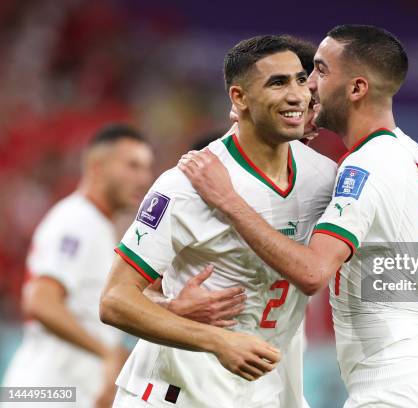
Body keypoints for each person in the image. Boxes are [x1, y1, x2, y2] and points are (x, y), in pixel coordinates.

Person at [179, 25, 418, 408]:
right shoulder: (411, 154)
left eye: (318, 71)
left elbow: (313, 272)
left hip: (392, 383)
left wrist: (228, 200)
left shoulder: (363, 168)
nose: (308, 86)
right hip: (412, 375)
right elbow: (404, 255)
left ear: (356, 89)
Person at [99, 35, 337, 407]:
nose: (296, 94)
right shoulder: (186, 184)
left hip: (259, 394)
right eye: (277, 83)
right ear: (238, 98)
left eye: (300, 80)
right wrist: (216, 339)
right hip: (175, 394)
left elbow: (364, 258)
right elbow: (114, 299)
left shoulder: (323, 178)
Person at [1, 125, 246, 408]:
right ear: (97, 167)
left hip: (56, 390)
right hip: (43, 391)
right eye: (132, 166)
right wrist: (105, 353)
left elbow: (92, 310)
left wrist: (169, 308)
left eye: (146, 168)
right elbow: (40, 301)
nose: (143, 178)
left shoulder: (100, 226)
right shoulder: (77, 221)